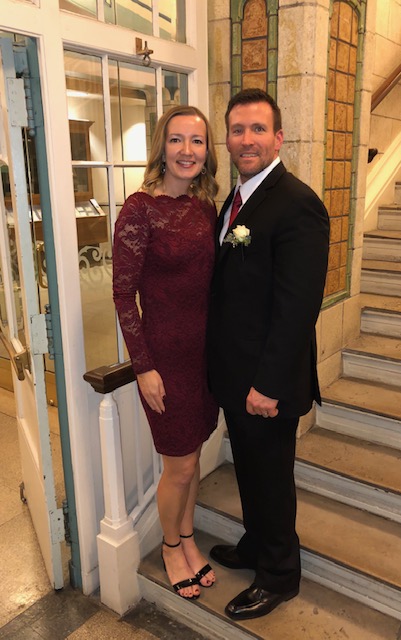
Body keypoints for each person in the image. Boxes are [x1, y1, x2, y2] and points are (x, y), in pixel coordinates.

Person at [207, 88, 330, 620]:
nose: (247, 139)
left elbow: (298, 308)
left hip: (267, 383)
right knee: (251, 471)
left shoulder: (298, 203)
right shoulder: (236, 200)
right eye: (237, 130)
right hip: (238, 376)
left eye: (258, 129)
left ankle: (280, 574)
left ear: (278, 138)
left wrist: (268, 385)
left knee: (272, 479)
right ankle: (256, 544)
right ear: (228, 139)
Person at [113, 105, 219, 600]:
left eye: (196, 141)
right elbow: (123, 294)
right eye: (177, 140)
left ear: (207, 151)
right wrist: (144, 368)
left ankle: (189, 537)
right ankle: (171, 548)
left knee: (193, 460)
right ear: (162, 147)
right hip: (165, 362)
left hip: (204, 358)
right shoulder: (139, 209)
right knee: (177, 467)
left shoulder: (205, 208)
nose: (187, 150)